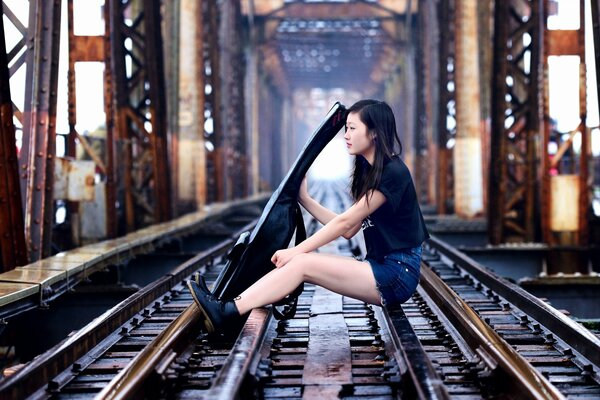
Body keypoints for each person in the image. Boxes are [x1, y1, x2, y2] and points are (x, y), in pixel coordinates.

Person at [187, 99, 430, 334]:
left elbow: (344, 223)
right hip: (381, 267)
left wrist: (297, 250)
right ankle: (228, 305)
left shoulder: (393, 173)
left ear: (374, 132)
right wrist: (305, 199)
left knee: (302, 262)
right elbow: (349, 231)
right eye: (345, 128)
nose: (345, 134)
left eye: (352, 128)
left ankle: (226, 311)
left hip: (396, 275)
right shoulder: (370, 170)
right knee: (299, 262)